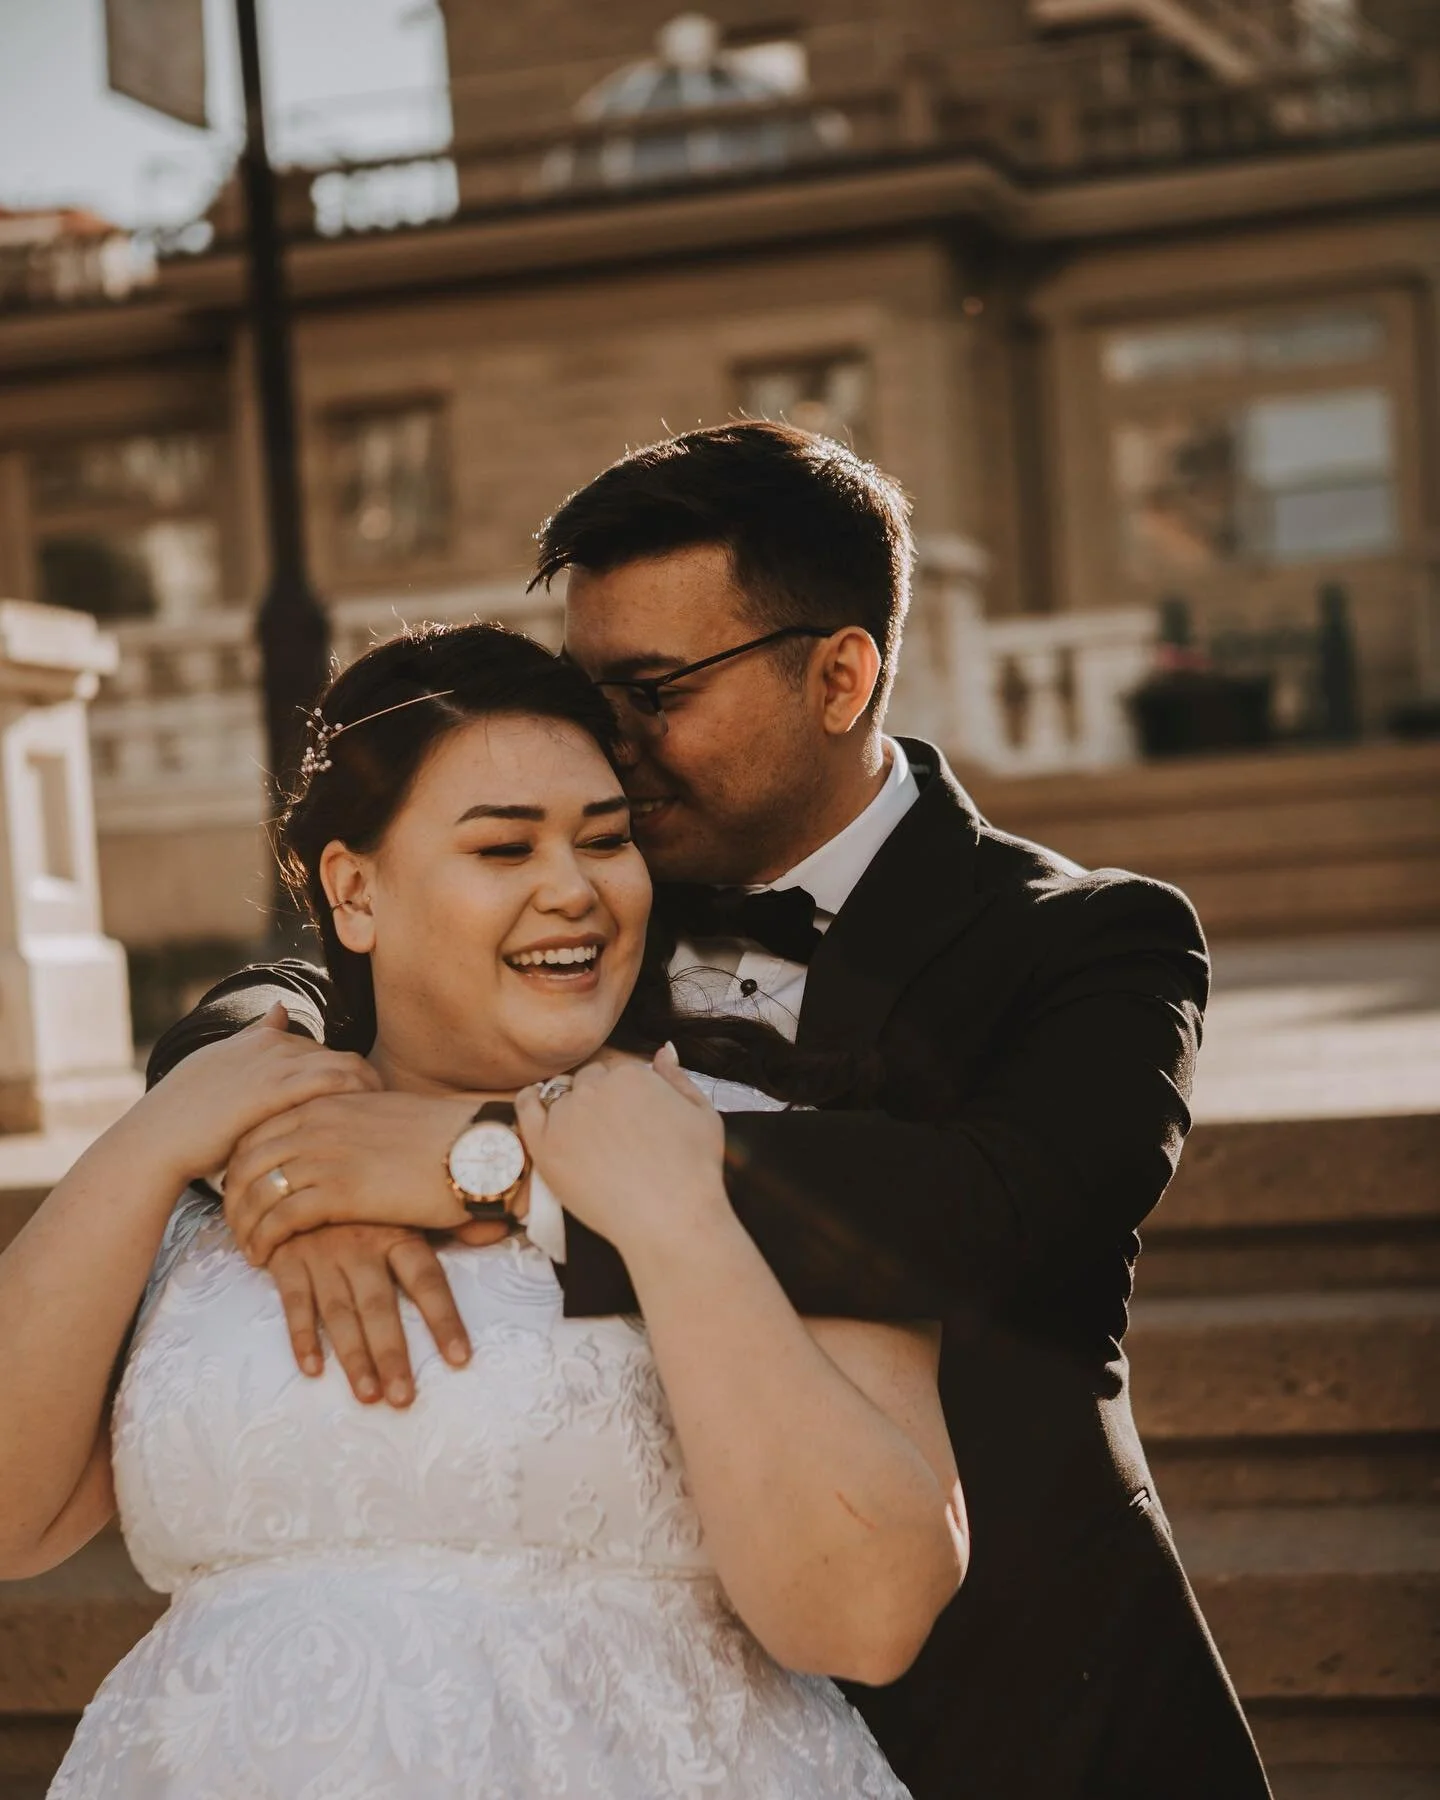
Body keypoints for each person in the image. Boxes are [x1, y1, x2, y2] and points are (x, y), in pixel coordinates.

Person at [152, 422, 1272, 1798]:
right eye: (591, 689)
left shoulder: (1090, 941)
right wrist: (289, 1150)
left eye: (655, 690)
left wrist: (484, 1165)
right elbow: (271, 992)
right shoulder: (586, 902)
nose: (607, 745)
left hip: (1026, 1707)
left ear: (841, 675)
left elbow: (1005, 1212)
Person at [1, 623, 964, 1799]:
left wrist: (672, 1218)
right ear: (355, 891)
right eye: (504, 849)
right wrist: (162, 1138)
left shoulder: (764, 1142)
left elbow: (869, 1615)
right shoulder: (226, 1159)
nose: (575, 890)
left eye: (606, 841)